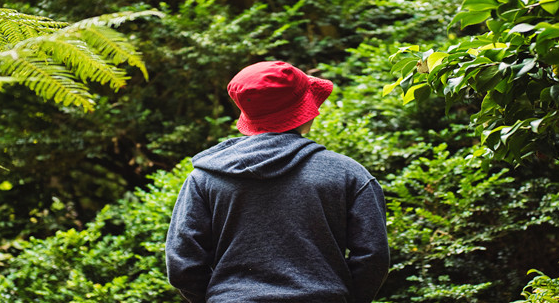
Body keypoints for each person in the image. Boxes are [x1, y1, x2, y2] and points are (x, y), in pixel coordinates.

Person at [165, 61, 390, 303]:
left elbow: (183, 264)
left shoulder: (204, 178)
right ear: (303, 111)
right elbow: (373, 256)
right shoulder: (348, 173)